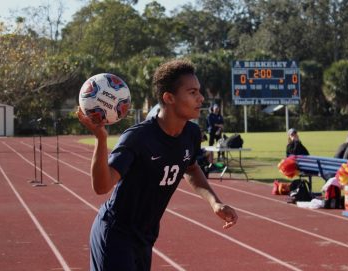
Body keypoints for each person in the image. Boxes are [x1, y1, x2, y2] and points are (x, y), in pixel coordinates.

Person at [77, 59, 238, 271]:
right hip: (116, 234)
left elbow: (190, 167)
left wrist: (214, 202)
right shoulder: (137, 138)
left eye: (199, 91)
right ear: (169, 98)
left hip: (145, 237)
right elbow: (101, 186)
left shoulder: (191, 133)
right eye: (192, 92)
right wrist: (101, 139)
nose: (200, 98)